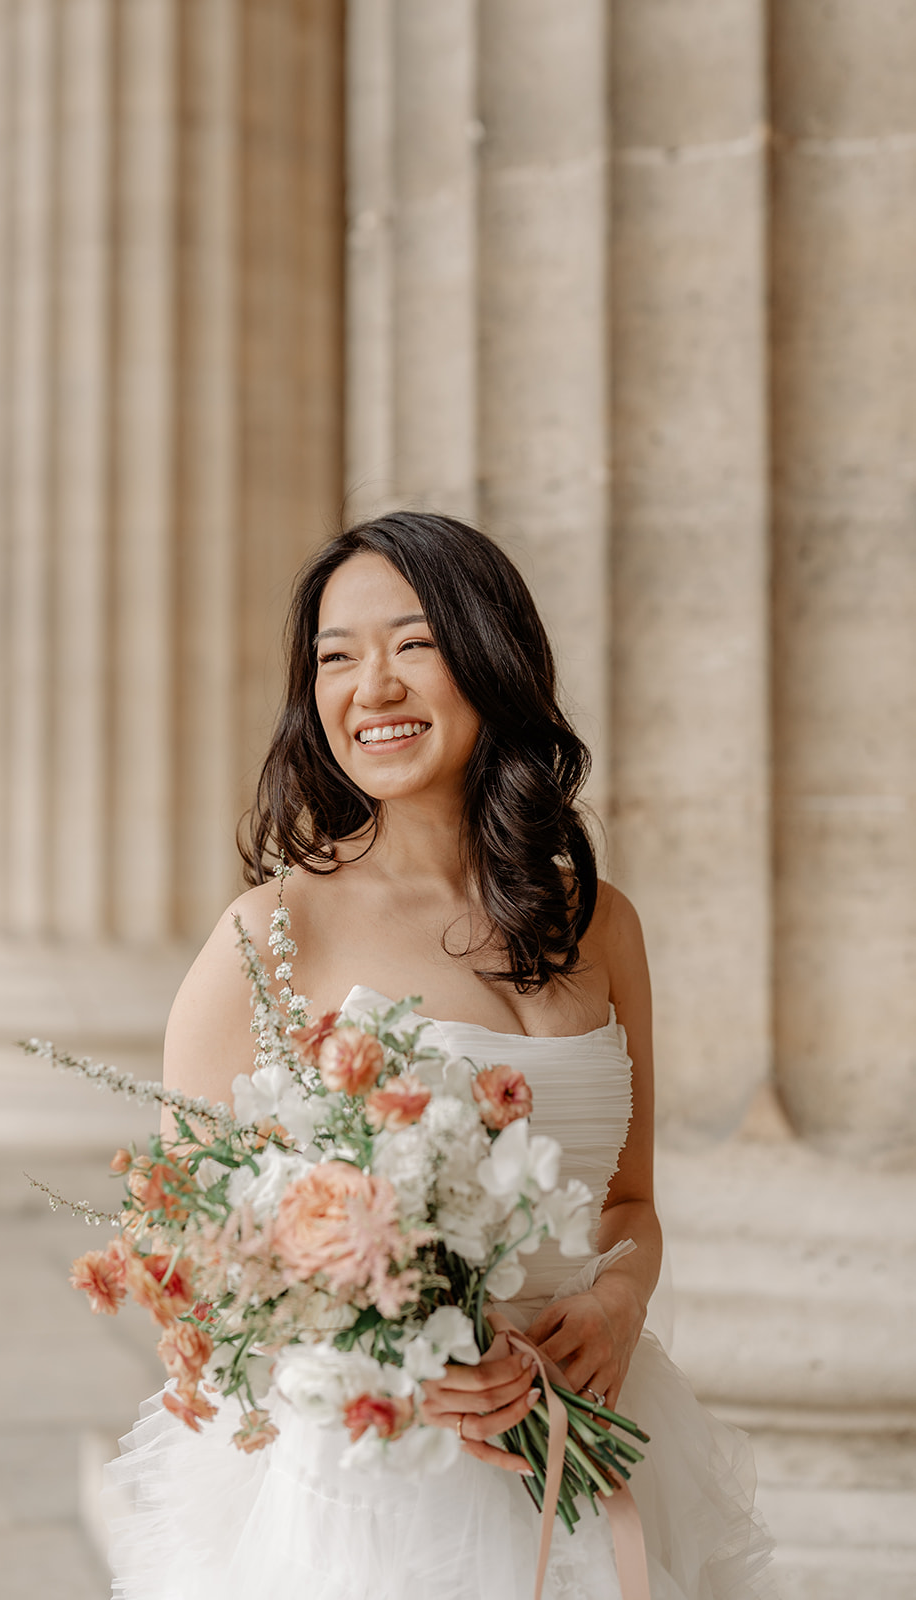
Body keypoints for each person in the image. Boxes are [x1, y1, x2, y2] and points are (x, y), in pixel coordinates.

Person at [104, 512, 774, 1600]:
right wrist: (393, 1349)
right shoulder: (270, 938)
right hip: (379, 1489)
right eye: (336, 657)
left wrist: (617, 1304)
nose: (371, 687)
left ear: (488, 657)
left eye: (411, 644)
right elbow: (188, 1263)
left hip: (590, 1421)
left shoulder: (598, 925)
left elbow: (631, 1202)